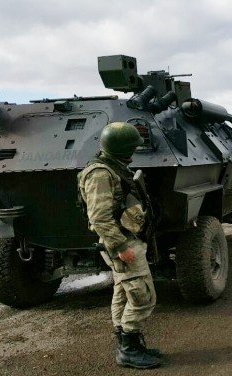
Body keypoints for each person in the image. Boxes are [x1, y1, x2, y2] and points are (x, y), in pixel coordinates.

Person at [77, 122, 161, 369]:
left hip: (125, 239)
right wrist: (121, 246)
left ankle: (128, 345)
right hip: (121, 243)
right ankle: (129, 349)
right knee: (143, 296)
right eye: (132, 147)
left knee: (124, 292)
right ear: (121, 147)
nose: (134, 151)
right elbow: (100, 217)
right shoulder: (100, 174)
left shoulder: (114, 167)